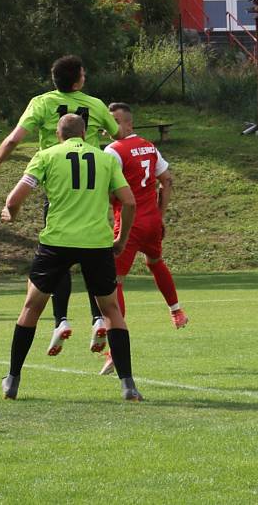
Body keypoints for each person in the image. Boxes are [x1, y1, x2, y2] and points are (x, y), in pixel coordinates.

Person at [0, 114, 143, 401]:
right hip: (96, 243)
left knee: (32, 307)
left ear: (58, 134)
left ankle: (12, 379)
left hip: (57, 242)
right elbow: (128, 201)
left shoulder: (46, 155)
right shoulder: (105, 159)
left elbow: (15, 199)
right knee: (111, 311)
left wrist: (10, 214)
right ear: (85, 133)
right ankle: (128, 384)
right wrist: (121, 239)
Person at [0, 55, 120, 357]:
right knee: (94, 255)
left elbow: (14, 139)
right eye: (83, 73)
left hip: (58, 189)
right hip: (93, 190)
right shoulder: (95, 104)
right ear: (78, 80)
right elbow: (119, 135)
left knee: (58, 257)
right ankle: (99, 317)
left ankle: (61, 320)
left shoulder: (42, 103)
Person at [98, 102, 188, 375]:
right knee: (155, 261)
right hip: (151, 221)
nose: (109, 127)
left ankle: (114, 350)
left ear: (128, 124)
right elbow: (167, 180)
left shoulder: (113, 151)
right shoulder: (149, 146)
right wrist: (160, 215)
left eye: (114, 121)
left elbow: (107, 190)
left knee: (114, 283)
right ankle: (176, 310)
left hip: (129, 223)